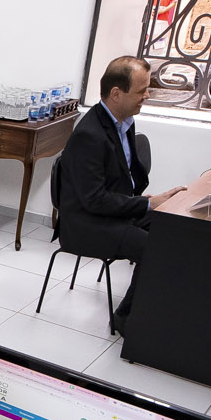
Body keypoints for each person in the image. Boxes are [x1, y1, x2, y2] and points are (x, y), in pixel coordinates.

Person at [53, 56, 187, 333]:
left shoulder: (123, 121)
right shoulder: (89, 135)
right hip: (85, 223)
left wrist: (153, 203)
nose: (146, 96)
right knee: (152, 249)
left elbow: (124, 182)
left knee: (176, 229)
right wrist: (147, 204)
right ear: (116, 94)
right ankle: (127, 321)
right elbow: (94, 200)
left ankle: (164, 308)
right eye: (141, 91)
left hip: (111, 212)